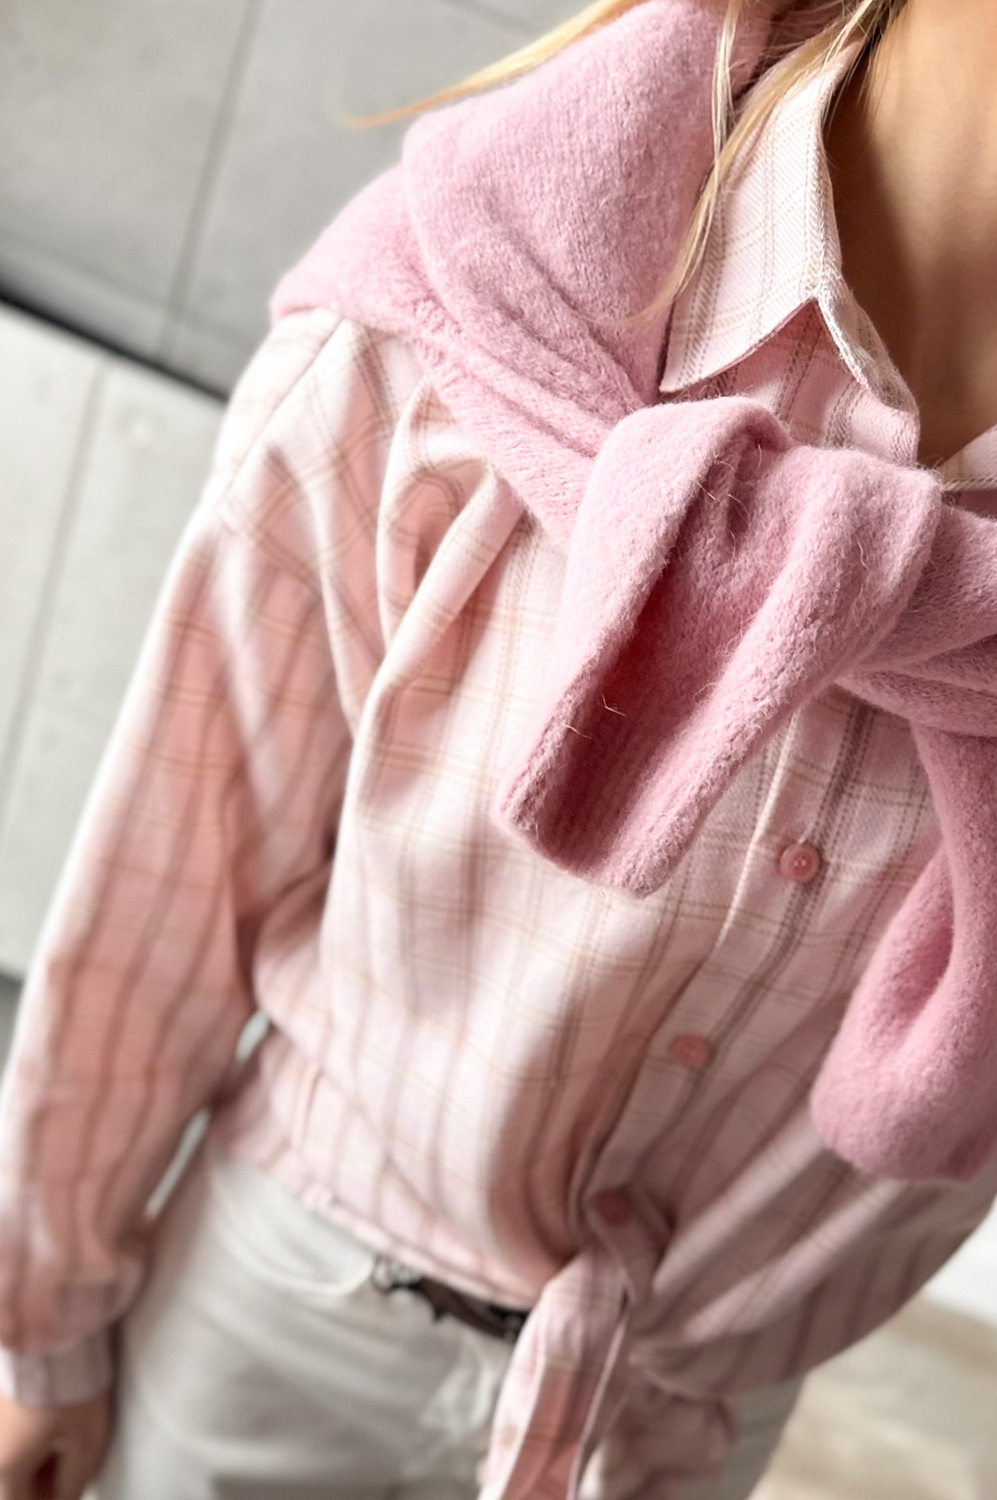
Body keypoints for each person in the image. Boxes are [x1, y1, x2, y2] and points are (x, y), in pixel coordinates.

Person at [1, 0, 997, 1495]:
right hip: (283, 1340)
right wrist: (39, 1323)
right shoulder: (475, 304)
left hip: (680, 1432)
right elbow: (177, 869)